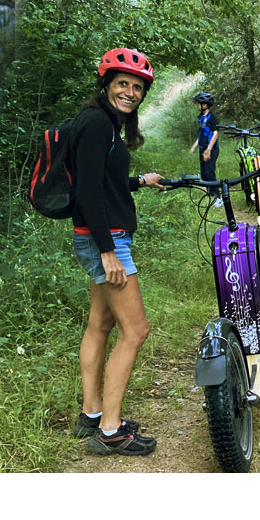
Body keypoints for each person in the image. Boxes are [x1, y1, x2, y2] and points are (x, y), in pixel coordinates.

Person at [66, 48, 165, 456]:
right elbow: (87, 192)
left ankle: (92, 413)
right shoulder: (95, 124)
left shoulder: (103, 124)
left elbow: (103, 181)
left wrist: (140, 181)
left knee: (101, 324)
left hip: (97, 236)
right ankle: (110, 430)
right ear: (106, 84)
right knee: (136, 330)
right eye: (122, 83)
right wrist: (108, 251)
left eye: (137, 87)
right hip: (105, 239)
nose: (130, 92)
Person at [189, 92, 223, 208]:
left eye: (198, 103)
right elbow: (201, 134)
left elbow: (215, 134)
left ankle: (218, 197)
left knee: (210, 172)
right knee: (204, 174)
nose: (197, 105)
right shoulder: (201, 117)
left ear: (205, 105)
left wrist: (209, 149)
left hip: (211, 149)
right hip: (203, 148)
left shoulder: (212, 117)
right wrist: (194, 146)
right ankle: (210, 194)